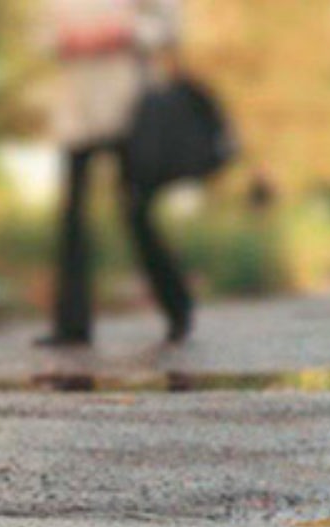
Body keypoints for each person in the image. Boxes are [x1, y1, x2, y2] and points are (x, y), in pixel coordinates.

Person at [38, 0, 193, 346]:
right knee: (72, 217)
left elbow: (170, 27)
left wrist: (126, 32)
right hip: (77, 112)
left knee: (136, 211)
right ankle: (72, 325)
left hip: (131, 109)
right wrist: (66, 39)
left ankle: (177, 307)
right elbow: (41, 34)